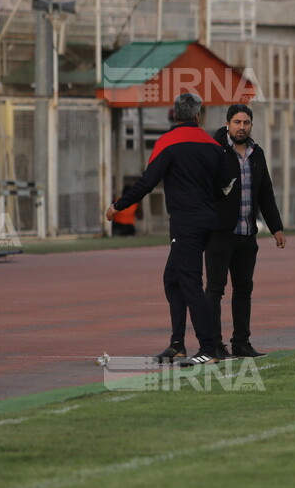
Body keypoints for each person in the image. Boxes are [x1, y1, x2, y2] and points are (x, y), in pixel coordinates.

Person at [106, 92, 228, 366]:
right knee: (173, 280)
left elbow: (147, 182)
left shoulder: (168, 142)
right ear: (198, 116)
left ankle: (208, 348)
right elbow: (224, 185)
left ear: (174, 115)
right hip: (208, 221)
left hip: (186, 223)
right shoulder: (212, 145)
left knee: (190, 282)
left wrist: (119, 205)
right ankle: (177, 345)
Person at [208, 104, 285, 360]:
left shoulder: (256, 152)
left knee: (243, 290)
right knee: (215, 289)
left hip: (247, 233)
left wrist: (276, 228)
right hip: (220, 233)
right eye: (237, 122)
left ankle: (241, 342)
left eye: (246, 122)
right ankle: (213, 344)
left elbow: (265, 192)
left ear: (251, 125)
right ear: (228, 123)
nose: (242, 127)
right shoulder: (214, 150)